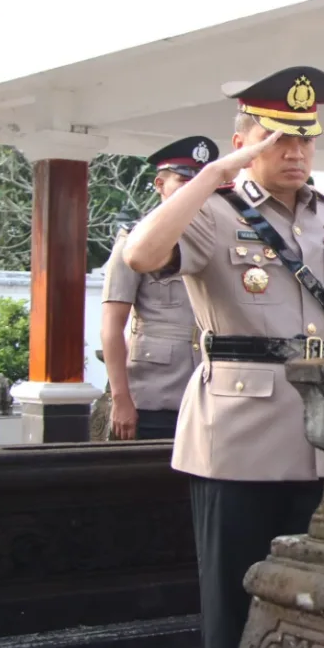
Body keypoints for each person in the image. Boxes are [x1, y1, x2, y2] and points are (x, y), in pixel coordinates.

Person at [122, 67, 324, 648]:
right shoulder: (213, 210)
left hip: (318, 438)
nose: (295, 153)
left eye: (305, 140)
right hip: (238, 441)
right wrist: (214, 176)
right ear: (243, 141)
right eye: (277, 140)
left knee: (312, 605)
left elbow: (313, 314)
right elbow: (142, 252)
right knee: (235, 612)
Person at [100, 136, 216, 441]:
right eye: (184, 181)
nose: (194, 190)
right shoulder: (133, 242)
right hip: (156, 394)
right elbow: (111, 326)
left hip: (212, 392)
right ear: (160, 184)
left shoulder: (220, 241)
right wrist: (120, 398)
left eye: (202, 183)